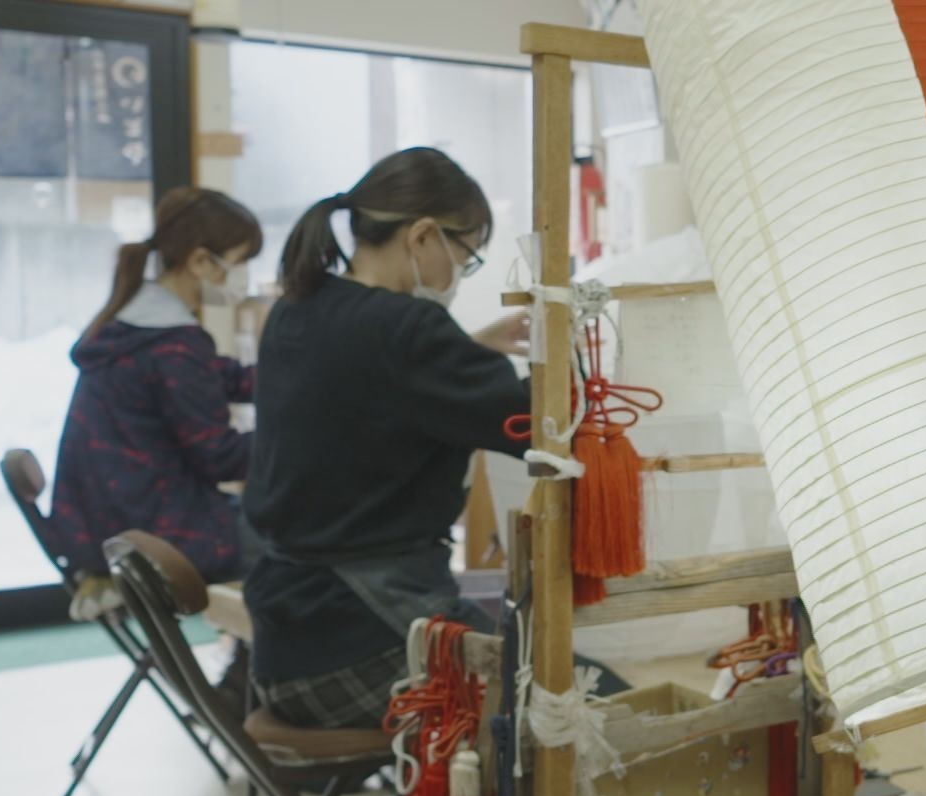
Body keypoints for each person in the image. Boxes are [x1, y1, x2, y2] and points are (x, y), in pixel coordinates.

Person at [242, 147, 555, 729]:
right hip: (357, 642)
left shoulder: (299, 306)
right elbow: (534, 422)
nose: (459, 274)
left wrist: (467, 350)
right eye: (466, 256)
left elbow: (364, 390)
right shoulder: (406, 329)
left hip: (287, 640)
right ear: (423, 236)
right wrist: (572, 363)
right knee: (568, 695)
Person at [52, 187, 263, 582]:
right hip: (155, 529)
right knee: (298, 544)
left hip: (112, 521)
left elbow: (219, 376)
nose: (242, 279)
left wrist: (297, 378)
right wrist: (299, 438)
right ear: (200, 261)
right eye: (238, 264)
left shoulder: (136, 326)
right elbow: (221, 457)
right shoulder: (172, 347)